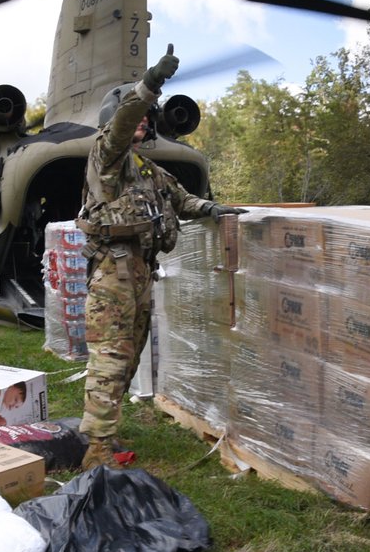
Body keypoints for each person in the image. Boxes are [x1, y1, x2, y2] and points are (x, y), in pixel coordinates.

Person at [75, 45, 245, 469]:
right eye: (138, 115)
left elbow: (182, 199)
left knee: (130, 355)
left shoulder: (147, 170)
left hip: (141, 271)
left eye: (149, 118)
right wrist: (151, 84)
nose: (144, 121)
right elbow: (124, 121)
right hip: (113, 271)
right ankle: (95, 450)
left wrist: (212, 209)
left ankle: (106, 431)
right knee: (110, 355)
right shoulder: (106, 156)